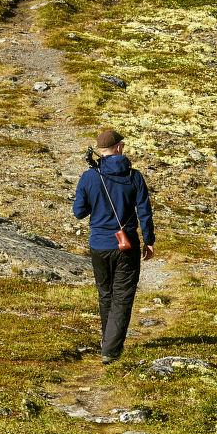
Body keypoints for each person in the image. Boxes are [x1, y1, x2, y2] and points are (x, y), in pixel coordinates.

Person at [70, 127, 155, 361]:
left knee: (105, 293)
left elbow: (78, 212)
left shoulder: (89, 177)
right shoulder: (134, 176)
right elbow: (145, 213)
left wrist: (93, 202)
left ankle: (108, 341)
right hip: (126, 246)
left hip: (99, 245)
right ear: (118, 148)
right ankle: (111, 350)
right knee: (122, 296)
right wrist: (149, 241)